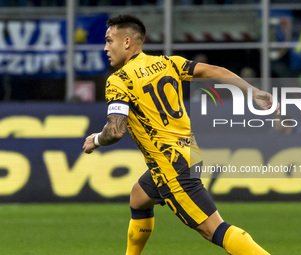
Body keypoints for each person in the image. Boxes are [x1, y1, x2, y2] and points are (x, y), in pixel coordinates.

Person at [83, 14, 278, 255]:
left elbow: (115, 131)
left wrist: (96, 140)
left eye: (109, 41)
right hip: (188, 153)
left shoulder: (119, 81)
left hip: (170, 166)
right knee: (138, 197)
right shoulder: (168, 63)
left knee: (214, 229)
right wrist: (253, 91)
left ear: (126, 42)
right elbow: (212, 70)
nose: (105, 47)